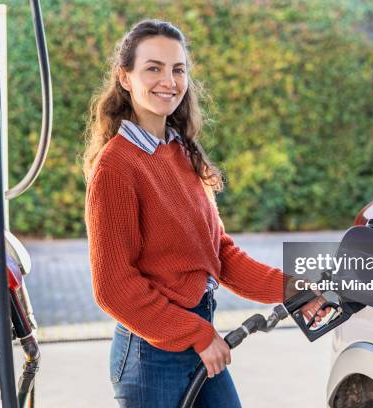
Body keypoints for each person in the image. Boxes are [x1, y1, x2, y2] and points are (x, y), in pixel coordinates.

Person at [83, 19, 334, 408]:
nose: (169, 80)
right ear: (125, 78)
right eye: (153, 68)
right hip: (152, 354)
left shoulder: (178, 151)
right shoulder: (116, 167)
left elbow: (220, 254)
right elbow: (114, 287)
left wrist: (293, 288)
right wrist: (197, 334)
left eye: (178, 69)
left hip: (194, 333)